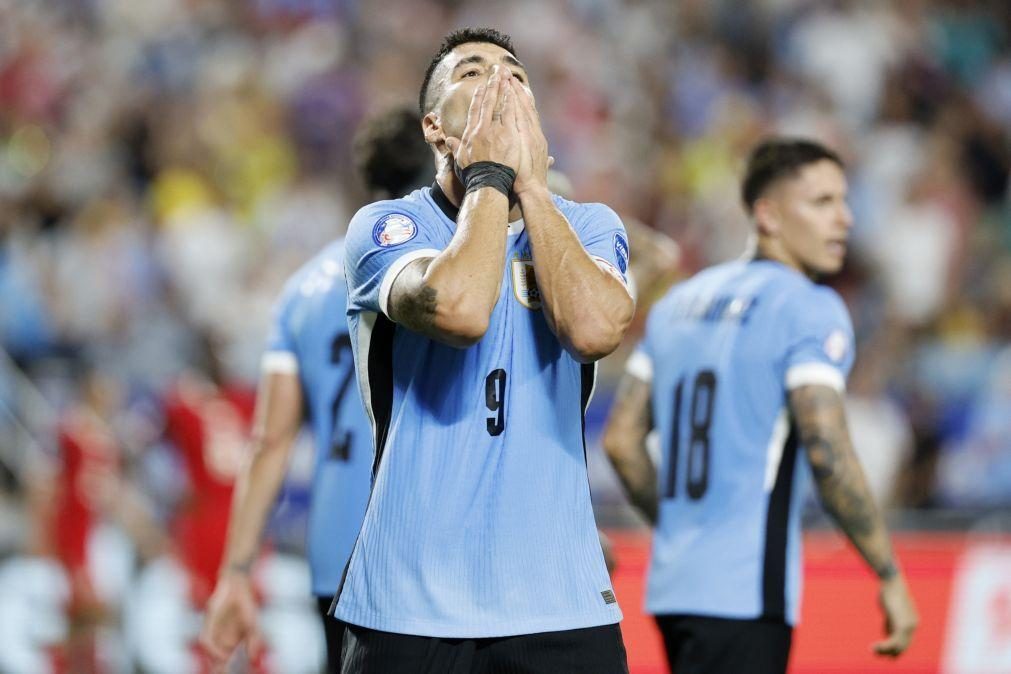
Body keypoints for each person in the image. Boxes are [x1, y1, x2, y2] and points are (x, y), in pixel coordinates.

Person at [334, 27, 634, 673]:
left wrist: (530, 190)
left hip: (559, 605)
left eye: (516, 77)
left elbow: (593, 331)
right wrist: (493, 177)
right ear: (435, 129)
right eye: (472, 73)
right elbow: (458, 309)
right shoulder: (389, 225)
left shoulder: (589, 225)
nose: (500, 84)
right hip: (407, 606)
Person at [603, 138, 919, 674]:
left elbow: (621, 440)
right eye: (822, 203)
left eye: (844, 201)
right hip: (747, 588)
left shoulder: (680, 302)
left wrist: (678, 521)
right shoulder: (809, 308)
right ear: (768, 214)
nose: (844, 219)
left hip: (675, 583)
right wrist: (888, 573)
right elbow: (827, 451)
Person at [199, 105, 432, 673]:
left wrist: (235, 571)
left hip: (334, 548)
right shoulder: (442, 277)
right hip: (421, 544)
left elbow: (270, 441)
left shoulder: (302, 288)